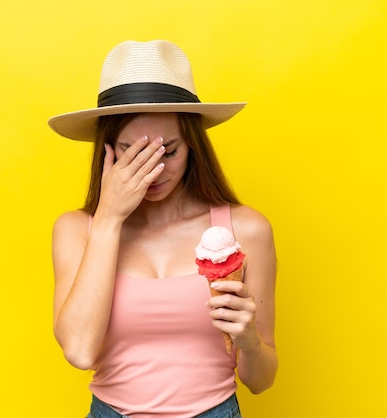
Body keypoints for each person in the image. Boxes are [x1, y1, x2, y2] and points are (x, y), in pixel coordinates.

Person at [48, 40, 277, 418]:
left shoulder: (246, 229)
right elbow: (79, 351)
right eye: (133, 154)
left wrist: (249, 340)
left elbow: (261, 380)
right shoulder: (78, 230)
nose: (154, 171)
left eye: (168, 152)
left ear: (192, 146)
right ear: (107, 152)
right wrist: (109, 217)